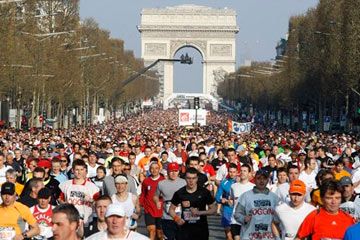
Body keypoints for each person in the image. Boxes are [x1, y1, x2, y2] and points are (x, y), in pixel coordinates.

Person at [169, 167, 217, 240]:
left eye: (193, 178)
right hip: (185, 230)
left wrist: (199, 212)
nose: (191, 181)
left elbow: (213, 209)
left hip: (201, 230)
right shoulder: (179, 193)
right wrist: (176, 219)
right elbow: (171, 209)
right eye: (188, 178)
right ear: (185, 178)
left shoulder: (204, 192)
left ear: (197, 179)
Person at [234, 169, 279, 240]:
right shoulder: (245, 196)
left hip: (269, 237)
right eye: (259, 178)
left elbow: (279, 218)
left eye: (264, 178)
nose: (261, 181)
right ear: (254, 180)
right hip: (249, 236)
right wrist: (244, 219)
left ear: (267, 180)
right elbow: (237, 214)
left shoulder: (274, 197)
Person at [59, 159, 100, 224]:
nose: (79, 172)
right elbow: (60, 200)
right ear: (72, 170)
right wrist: (63, 204)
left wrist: (91, 200)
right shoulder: (65, 185)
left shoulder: (93, 187)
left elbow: (99, 205)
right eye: (77, 169)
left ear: (85, 170)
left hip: (86, 222)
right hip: (69, 220)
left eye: (81, 169)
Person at [153, 162, 186, 240]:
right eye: (171, 171)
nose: (174, 173)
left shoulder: (184, 182)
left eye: (176, 171)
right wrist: (157, 201)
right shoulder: (161, 184)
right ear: (167, 171)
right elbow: (155, 196)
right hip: (167, 218)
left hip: (181, 217)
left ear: (179, 171)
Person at [139, 162, 164, 240]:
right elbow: (143, 194)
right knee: (152, 231)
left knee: (160, 235)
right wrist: (139, 206)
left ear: (159, 169)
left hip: (161, 211)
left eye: (156, 168)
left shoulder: (163, 181)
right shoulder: (146, 181)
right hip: (149, 209)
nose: (154, 170)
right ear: (149, 170)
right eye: (152, 168)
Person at [230, 164, 255, 240]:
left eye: (245, 171)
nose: (243, 172)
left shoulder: (253, 187)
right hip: (236, 220)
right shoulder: (233, 186)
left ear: (249, 173)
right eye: (241, 171)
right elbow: (232, 199)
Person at [215, 163, 238, 240]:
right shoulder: (224, 183)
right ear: (228, 172)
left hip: (238, 211)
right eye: (230, 171)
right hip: (227, 210)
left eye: (234, 172)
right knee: (229, 236)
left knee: (237, 236)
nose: (232, 174)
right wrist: (222, 200)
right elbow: (217, 197)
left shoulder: (240, 183)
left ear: (237, 172)